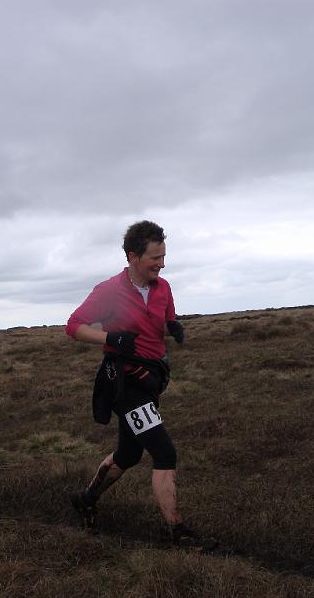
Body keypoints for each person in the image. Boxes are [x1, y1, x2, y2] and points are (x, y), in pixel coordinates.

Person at [65, 220, 217, 550]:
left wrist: (172, 328)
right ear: (133, 256)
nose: (162, 264)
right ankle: (176, 531)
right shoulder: (108, 290)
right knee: (164, 452)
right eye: (155, 258)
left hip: (151, 381)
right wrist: (110, 337)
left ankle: (86, 499)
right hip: (123, 383)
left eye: (164, 257)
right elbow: (73, 326)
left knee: (128, 453)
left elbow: (161, 322)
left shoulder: (162, 288)